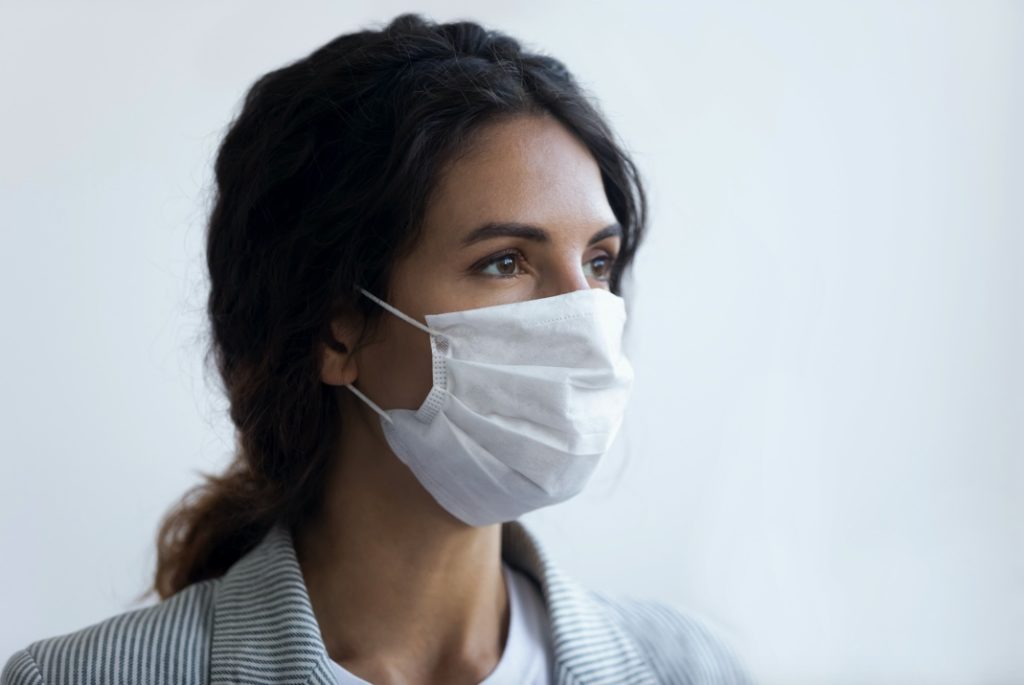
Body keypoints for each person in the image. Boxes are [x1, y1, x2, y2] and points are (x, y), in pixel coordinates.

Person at [2, 13, 753, 685]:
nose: (584, 316)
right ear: (337, 328)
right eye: (506, 261)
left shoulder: (690, 667)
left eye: (598, 262)